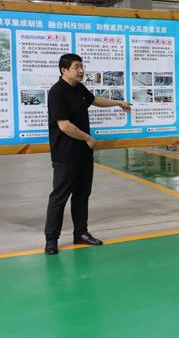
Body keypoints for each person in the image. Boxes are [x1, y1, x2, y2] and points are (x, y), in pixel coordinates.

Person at [45, 53, 132, 255]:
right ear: (64, 70)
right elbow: (64, 126)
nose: (81, 70)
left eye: (82, 66)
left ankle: (81, 233)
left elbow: (94, 100)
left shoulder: (79, 88)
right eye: (76, 67)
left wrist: (118, 103)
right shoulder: (57, 92)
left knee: (82, 195)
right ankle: (51, 240)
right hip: (65, 155)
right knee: (59, 197)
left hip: (83, 153)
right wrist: (88, 138)